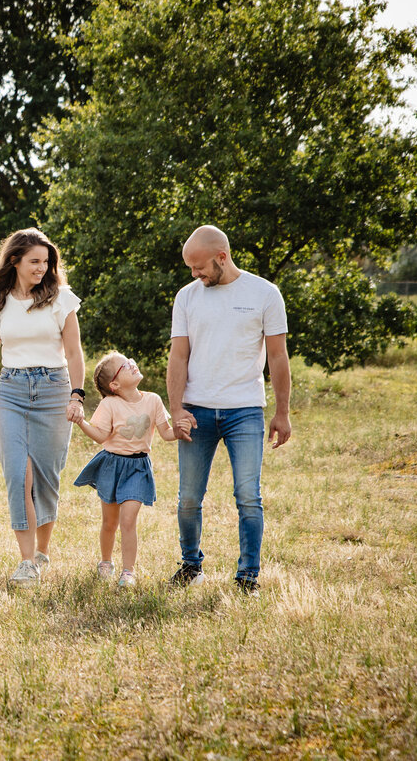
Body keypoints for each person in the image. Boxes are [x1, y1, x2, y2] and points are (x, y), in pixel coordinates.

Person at [167, 224, 292, 596]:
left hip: (245, 411)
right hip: (196, 410)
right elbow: (178, 356)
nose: (195, 274)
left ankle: (248, 577)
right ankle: (191, 566)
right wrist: (176, 409)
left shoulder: (265, 293)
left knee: (248, 496)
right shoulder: (187, 297)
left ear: (222, 257)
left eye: (200, 266)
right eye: (190, 268)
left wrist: (282, 412)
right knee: (189, 497)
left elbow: (278, 356)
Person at [0, 228, 87, 589]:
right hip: (13, 390)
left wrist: (76, 395)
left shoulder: (61, 298)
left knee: (47, 478)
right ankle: (26, 561)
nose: (41, 268)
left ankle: (42, 551)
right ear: (15, 260)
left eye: (46, 262)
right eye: (34, 261)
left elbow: (74, 352)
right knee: (18, 475)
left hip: (54, 389)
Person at [72, 352, 177, 589]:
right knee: (110, 522)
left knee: (128, 520)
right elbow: (101, 436)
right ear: (115, 385)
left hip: (139, 467)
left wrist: (182, 430)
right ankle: (106, 562)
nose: (132, 364)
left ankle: (128, 571)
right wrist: (81, 422)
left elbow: (167, 433)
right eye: (125, 366)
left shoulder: (153, 400)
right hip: (112, 466)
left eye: (130, 361)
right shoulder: (110, 404)